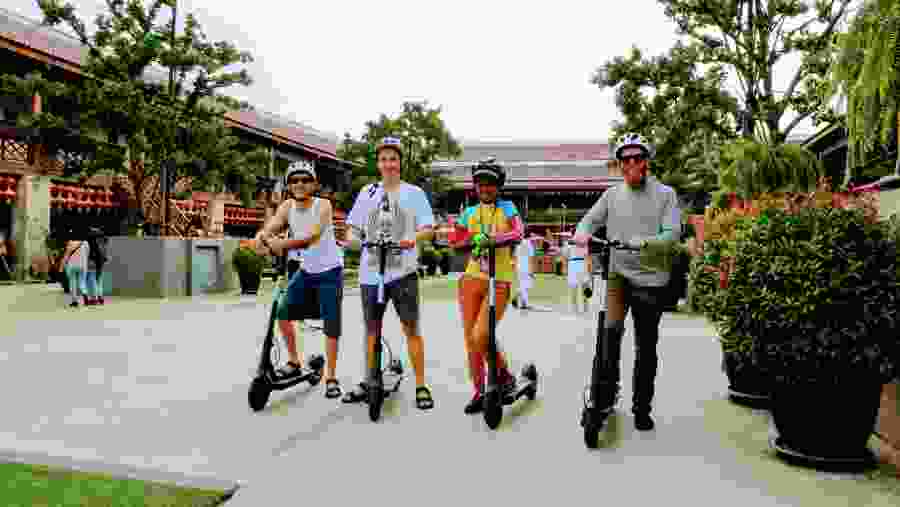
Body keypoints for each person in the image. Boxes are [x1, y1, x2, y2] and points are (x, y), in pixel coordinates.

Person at [574, 132, 680, 431]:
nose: (631, 163)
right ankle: (604, 397)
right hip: (618, 277)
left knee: (645, 347)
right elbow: (590, 220)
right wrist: (582, 233)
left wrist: (641, 243)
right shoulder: (612, 195)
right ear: (619, 164)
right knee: (609, 338)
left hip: (652, 280)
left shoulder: (665, 194)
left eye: (637, 158)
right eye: (625, 159)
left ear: (646, 161)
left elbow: (672, 235)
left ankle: (641, 408)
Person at [341, 136, 436, 410]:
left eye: (393, 158)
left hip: (403, 272)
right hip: (370, 273)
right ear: (378, 163)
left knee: (411, 329)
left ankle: (421, 385)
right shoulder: (367, 192)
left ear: (400, 162)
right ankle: (370, 379)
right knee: (371, 330)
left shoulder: (414, 193)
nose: (388, 163)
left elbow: (429, 228)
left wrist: (413, 239)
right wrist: (353, 240)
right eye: (383, 159)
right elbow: (352, 229)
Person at [255, 160, 345, 399]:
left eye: (305, 180)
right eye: (294, 180)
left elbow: (312, 236)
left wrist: (281, 244)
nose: (300, 184)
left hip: (330, 271)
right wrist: (262, 237)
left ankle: (332, 377)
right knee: (282, 311)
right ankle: (294, 361)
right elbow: (272, 226)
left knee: (331, 324)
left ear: (314, 184)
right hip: (306, 270)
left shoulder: (323, 205)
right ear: (288, 185)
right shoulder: (286, 207)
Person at [450, 157, 526, 414]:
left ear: (499, 185)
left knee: (482, 334)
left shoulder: (508, 208)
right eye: (480, 183)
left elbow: (518, 233)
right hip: (471, 279)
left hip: (500, 279)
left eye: (490, 183)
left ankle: (504, 376)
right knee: (470, 340)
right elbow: (456, 240)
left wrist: (494, 238)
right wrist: (475, 238)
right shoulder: (469, 212)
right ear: (475, 186)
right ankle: (480, 391)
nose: (485, 188)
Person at [562, 237, 590, 314]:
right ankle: (577, 308)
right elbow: (565, 257)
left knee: (583, 286)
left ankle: (584, 307)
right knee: (576, 287)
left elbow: (587, 256)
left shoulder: (583, 244)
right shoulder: (569, 244)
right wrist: (565, 268)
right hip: (575, 263)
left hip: (579, 263)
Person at [82, 227, 108, 305]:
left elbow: (90, 252)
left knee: (92, 280)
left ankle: (94, 298)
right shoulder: (103, 240)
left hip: (92, 261)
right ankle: (100, 297)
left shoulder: (91, 241)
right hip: (101, 261)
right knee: (99, 280)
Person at [60, 235, 87, 308]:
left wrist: (61, 267)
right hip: (83, 265)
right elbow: (87, 254)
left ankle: (74, 301)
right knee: (82, 281)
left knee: (72, 283)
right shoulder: (85, 243)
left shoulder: (70, 243)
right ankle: (85, 294)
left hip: (72, 266)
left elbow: (66, 255)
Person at [512, 235, 534, 310]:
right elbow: (531, 257)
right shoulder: (529, 244)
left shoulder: (519, 243)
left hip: (519, 266)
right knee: (526, 285)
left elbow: (515, 256)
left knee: (523, 284)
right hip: (526, 266)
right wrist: (531, 270)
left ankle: (518, 299)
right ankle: (524, 303)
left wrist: (515, 266)